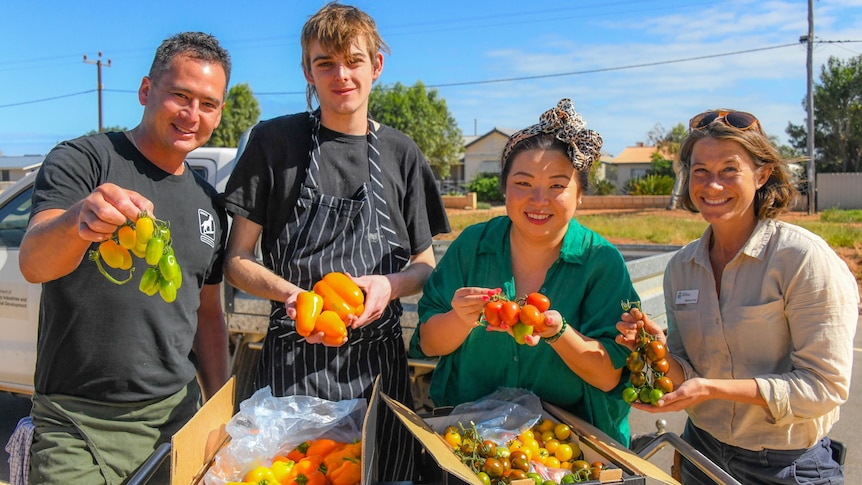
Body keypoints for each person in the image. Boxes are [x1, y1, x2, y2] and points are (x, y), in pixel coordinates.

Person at [221, 2, 449, 480]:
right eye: (325, 63)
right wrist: (293, 296)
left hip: (377, 376)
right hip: (293, 371)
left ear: (376, 66)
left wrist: (389, 285)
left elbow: (425, 265)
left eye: (353, 60)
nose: (340, 74)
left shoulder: (401, 152)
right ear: (307, 71)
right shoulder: (274, 143)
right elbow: (237, 259)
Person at [18, 32, 231, 484]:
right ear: (145, 90)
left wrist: (222, 411)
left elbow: (209, 316)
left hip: (175, 420)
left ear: (219, 113)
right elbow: (34, 262)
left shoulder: (210, 203)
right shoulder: (84, 160)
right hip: (76, 424)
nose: (193, 115)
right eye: (180, 96)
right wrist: (81, 218)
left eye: (208, 104)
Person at [616, 109, 859, 484]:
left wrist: (713, 389)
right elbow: (688, 371)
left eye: (730, 170)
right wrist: (658, 353)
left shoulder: (801, 259)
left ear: (761, 175)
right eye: (700, 171)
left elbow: (824, 387)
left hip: (788, 467)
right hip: (700, 453)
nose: (712, 185)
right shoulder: (681, 267)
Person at [409, 99, 641, 446]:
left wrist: (557, 332)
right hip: (471, 443)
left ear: (580, 196)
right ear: (504, 188)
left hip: (569, 448)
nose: (538, 200)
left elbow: (608, 377)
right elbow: (428, 342)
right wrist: (460, 318)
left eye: (557, 186)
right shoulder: (473, 245)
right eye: (523, 183)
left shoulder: (601, 261)